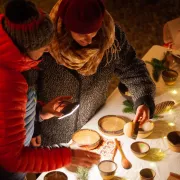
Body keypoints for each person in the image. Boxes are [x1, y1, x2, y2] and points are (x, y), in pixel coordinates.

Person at [0, 0, 100, 180]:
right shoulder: (8, 82)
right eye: (44, 47)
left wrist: (41, 113)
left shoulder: (14, 60)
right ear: (27, 47)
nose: (48, 50)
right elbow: (13, 159)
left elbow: (6, 119)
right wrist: (68, 156)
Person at [37, 0, 156, 146]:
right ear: (67, 27)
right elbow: (25, 91)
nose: (89, 40)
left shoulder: (111, 37)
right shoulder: (45, 44)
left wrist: (143, 99)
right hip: (53, 133)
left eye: (94, 32)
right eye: (82, 34)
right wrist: (35, 122)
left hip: (92, 124)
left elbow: (131, 67)